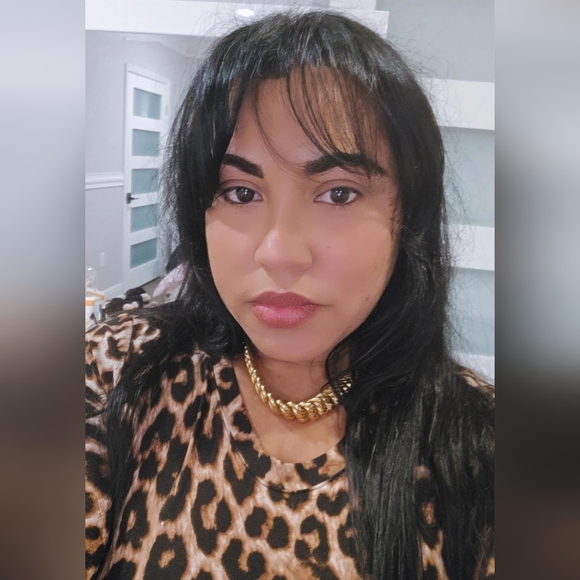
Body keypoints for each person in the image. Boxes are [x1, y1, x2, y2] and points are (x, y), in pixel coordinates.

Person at [85, 10, 494, 580]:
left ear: (409, 216)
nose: (278, 252)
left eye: (339, 194)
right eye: (240, 192)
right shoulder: (117, 373)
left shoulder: (480, 445)